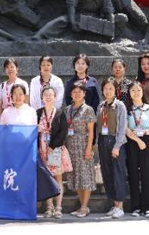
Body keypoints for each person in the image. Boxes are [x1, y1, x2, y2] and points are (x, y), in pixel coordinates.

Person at [63, 82, 96, 218]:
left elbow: (91, 131)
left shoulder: (88, 109)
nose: (77, 94)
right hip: (70, 146)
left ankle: (84, 206)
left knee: (85, 176)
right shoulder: (67, 110)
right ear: (70, 94)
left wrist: (89, 148)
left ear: (84, 94)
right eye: (74, 92)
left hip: (83, 146)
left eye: (79, 92)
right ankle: (82, 206)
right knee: (76, 177)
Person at [125, 82, 149, 217]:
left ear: (142, 92)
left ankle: (148, 207)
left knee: (146, 174)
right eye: (133, 90)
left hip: (146, 141)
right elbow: (126, 129)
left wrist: (144, 133)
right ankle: (136, 207)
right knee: (133, 174)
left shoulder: (148, 108)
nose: (136, 92)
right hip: (132, 141)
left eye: (138, 90)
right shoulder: (127, 109)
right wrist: (138, 141)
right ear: (129, 93)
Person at [97, 77, 129, 219]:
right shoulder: (101, 105)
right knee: (107, 173)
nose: (108, 91)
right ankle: (115, 204)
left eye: (111, 88)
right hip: (103, 141)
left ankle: (120, 206)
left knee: (118, 173)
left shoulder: (120, 105)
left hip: (116, 142)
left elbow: (122, 127)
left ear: (115, 90)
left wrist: (117, 146)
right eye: (106, 88)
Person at [37, 87, 70, 219]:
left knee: (57, 178)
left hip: (55, 150)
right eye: (45, 95)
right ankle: (49, 207)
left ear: (55, 97)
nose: (48, 97)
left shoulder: (60, 113)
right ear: (42, 98)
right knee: (46, 178)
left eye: (51, 95)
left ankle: (58, 207)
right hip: (42, 150)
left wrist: (52, 146)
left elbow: (63, 132)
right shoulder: (38, 113)